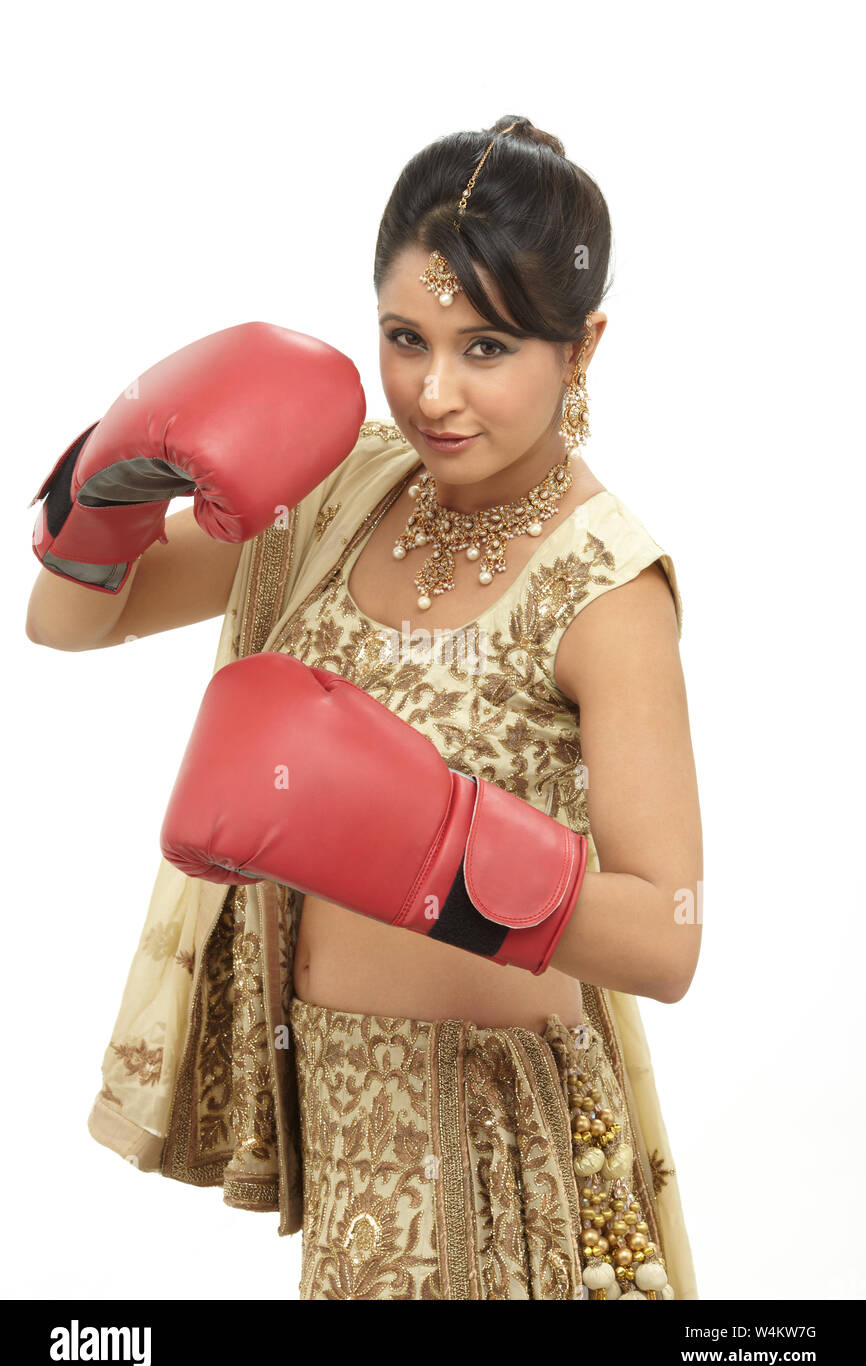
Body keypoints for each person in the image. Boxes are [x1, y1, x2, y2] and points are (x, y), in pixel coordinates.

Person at [26, 115, 702, 1301]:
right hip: (345, 1133)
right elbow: (75, 619)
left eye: (484, 346)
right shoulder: (343, 488)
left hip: (497, 1148)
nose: (433, 392)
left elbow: (666, 937)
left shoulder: (604, 584)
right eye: (404, 337)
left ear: (581, 346)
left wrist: (429, 842)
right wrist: (112, 477)